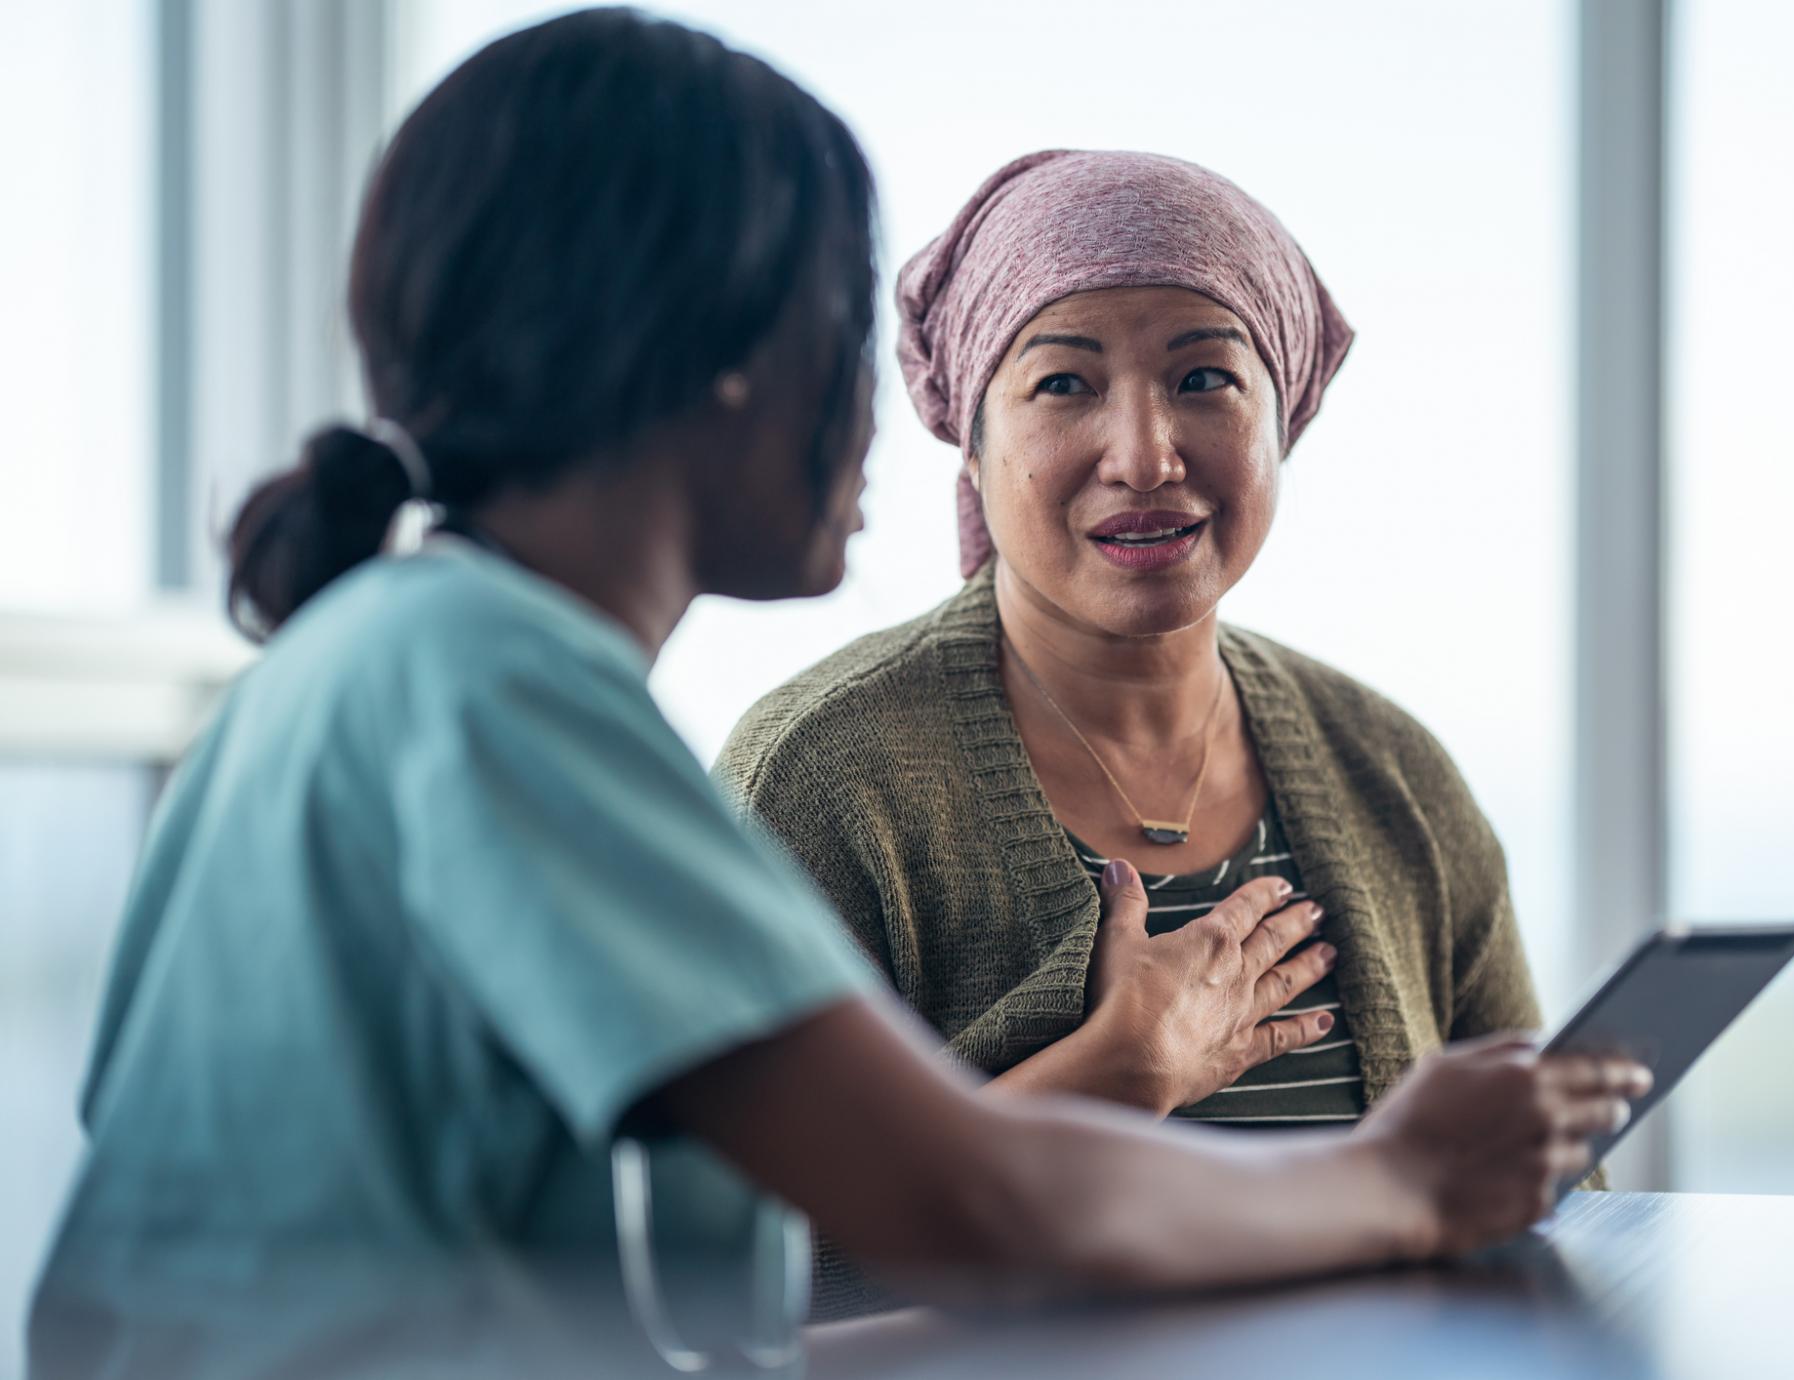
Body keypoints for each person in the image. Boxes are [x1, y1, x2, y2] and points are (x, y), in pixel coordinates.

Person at [28, 14, 1646, 1378]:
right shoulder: (486, 687)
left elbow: (712, 1295)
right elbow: (965, 1204)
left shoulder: (372, 659)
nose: (888, 409)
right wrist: (1397, 1183)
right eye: (845, 319)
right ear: (727, 349)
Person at [715, 149, 1585, 1319]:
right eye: (1064, 386)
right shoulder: (819, 779)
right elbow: (730, 1280)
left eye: (1205, 379)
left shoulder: (1391, 771)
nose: (1144, 456)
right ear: (970, 440)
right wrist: (1114, 1077)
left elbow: (1547, 1196)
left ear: (1285, 423)